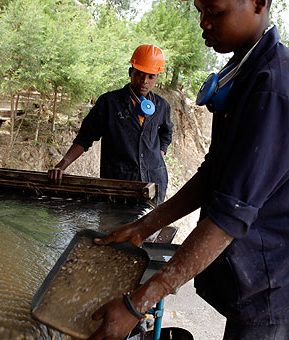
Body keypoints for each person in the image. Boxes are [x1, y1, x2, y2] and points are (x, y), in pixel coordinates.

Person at [87, 0, 289, 339]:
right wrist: (145, 224)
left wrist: (138, 303)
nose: (203, 23)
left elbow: (230, 215)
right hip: (253, 276)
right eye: (200, 11)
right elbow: (214, 173)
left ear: (259, 3)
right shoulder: (244, 72)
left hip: (270, 284)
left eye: (216, 12)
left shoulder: (272, 88)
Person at [48, 44, 173, 204]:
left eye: (150, 76)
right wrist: (62, 165)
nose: (144, 81)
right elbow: (85, 137)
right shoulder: (109, 103)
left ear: (156, 77)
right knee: (116, 228)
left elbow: (166, 132)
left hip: (154, 183)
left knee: (150, 227)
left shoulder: (162, 106)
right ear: (130, 72)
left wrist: (159, 155)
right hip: (119, 185)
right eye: (139, 74)